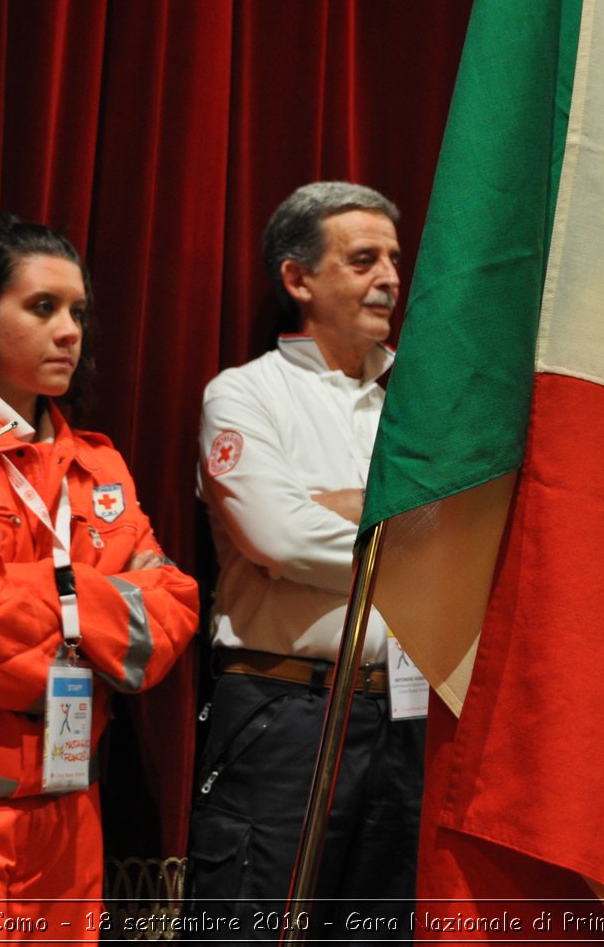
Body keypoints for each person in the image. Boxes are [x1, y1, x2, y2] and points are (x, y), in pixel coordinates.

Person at [0, 214, 199, 941]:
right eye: (42, 307)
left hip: (69, 800)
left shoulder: (101, 466)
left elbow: (172, 611)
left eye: (78, 311)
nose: (70, 330)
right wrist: (101, 601)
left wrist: (44, 601)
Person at [187, 181, 422, 938]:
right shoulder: (245, 395)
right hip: (287, 711)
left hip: (408, 717)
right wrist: (415, 533)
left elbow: (480, 539)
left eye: (393, 257)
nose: (389, 275)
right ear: (298, 279)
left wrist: (344, 505)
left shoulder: (421, 403)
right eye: (362, 260)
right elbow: (279, 539)